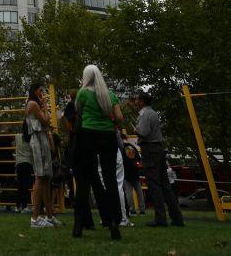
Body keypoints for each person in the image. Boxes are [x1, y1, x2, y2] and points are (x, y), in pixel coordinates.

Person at [72, 65, 124, 241]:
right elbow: (119, 118)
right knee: (110, 179)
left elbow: (78, 112)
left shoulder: (83, 93)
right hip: (108, 136)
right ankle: (115, 222)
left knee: (84, 180)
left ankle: (78, 224)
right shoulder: (110, 95)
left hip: (88, 136)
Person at [130, 91, 184, 228]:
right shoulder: (153, 112)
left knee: (154, 185)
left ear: (142, 101)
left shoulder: (145, 114)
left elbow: (143, 132)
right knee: (165, 185)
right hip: (159, 149)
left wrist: (135, 129)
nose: (135, 102)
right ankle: (177, 217)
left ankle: (160, 218)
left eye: (137, 100)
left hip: (150, 150)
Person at [24, 82, 56, 229]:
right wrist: (44, 104)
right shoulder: (33, 104)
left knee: (46, 177)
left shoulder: (33, 103)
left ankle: (49, 216)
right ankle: (35, 218)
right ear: (34, 91)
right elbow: (46, 120)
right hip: (37, 139)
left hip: (41, 139)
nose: (41, 93)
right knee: (40, 176)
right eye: (40, 90)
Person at [14, 132, 34, 214]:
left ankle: (17, 206)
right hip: (28, 163)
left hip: (19, 163)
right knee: (25, 186)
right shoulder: (31, 139)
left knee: (20, 185)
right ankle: (24, 206)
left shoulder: (17, 136)